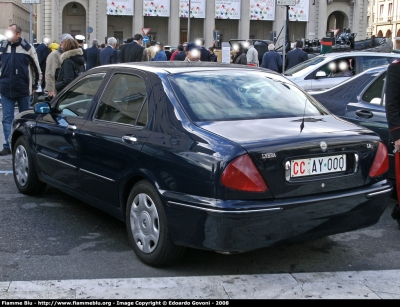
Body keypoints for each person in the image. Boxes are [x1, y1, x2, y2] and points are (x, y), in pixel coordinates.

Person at [0, 24, 41, 156]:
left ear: (19, 34)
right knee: (7, 119)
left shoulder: (27, 48)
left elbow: (37, 69)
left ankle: (24, 143)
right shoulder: (2, 47)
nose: (9, 34)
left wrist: (35, 86)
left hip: (23, 89)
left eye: (11, 32)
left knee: (24, 119)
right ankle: (8, 145)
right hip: (6, 88)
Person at [45, 33, 73, 99]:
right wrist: (51, 89)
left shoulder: (68, 54)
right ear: (62, 43)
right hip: (56, 89)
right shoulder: (54, 55)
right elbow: (49, 73)